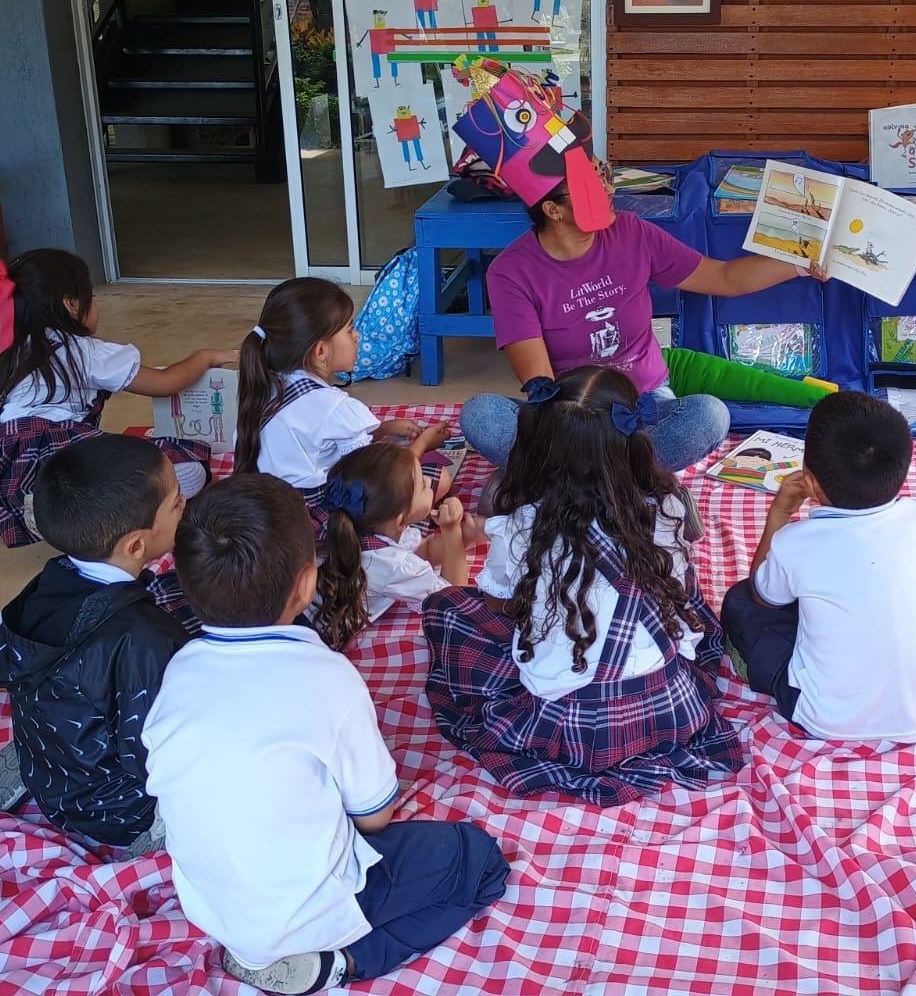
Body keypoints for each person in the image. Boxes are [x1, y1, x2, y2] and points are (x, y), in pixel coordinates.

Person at [143, 474, 509, 995]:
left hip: (215, 909)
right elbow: (376, 816)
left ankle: (287, 954)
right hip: (309, 908)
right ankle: (346, 963)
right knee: (479, 860)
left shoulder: (178, 667)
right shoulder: (326, 675)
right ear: (306, 584)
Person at [452, 61, 826, 476]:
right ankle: (624, 478)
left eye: (604, 175)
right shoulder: (511, 272)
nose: (609, 190)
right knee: (481, 414)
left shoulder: (632, 233)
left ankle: (564, 479)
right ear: (553, 209)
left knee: (709, 415)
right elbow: (541, 386)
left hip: (646, 408)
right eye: (593, 187)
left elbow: (724, 278)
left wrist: (800, 264)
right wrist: (582, 434)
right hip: (568, 416)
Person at [423, 365, 745, 806]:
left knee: (449, 608)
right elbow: (680, 596)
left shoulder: (523, 522)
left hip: (568, 727)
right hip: (670, 708)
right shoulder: (667, 505)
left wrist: (551, 603)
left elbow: (499, 606)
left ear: (538, 446)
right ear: (635, 444)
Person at [0, 435, 192, 853]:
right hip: (115, 810)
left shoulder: (50, 578)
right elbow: (150, 749)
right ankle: (155, 834)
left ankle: (40, 758)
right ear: (135, 545)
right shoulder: (147, 638)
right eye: (177, 501)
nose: (185, 504)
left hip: (52, 760)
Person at [721, 391, 916, 743]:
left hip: (824, 716)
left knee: (741, 601)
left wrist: (780, 514)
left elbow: (763, 596)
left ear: (811, 483)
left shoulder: (796, 541)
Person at [0, 249, 230, 547]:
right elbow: (165, 382)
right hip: (73, 458)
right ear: (71, 304)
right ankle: (94, 514)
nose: (97, 305)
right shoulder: (83, 352)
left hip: (16, 473)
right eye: (92, 297)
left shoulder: (4, 348)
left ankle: (49, 508)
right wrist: (205, 358)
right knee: (188, 470)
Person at [234, 277, 450, 545]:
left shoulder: (265, 385)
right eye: (349, 330)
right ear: (321, 351)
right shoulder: (334, 406)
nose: (357, 336)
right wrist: (423, 442)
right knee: (437, 480)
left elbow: (308, 435)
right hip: (314, 524)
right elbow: (376, 482)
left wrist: (381, 428)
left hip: (266, 514)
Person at [314, 443, 483, 650]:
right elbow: (454, 602)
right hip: (316, 641)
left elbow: (425, 551)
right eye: (422, 484)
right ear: (401, 519)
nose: (429, 482)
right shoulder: (391, 564)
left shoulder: (347, 522)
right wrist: (452, 531)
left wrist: (465, 536)